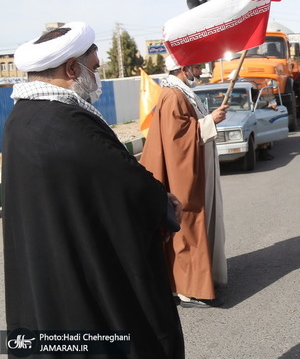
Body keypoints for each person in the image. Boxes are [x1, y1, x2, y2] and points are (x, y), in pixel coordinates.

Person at [2, 22, 184, 358]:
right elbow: (127, 184)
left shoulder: (19, 119)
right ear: (72, 68)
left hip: (48, 272)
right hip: (84, 279)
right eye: (95, 68)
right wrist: (163, 203)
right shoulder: (67, 124)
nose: (97, 78)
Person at [140, 55, 228, 308]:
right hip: (182, 174)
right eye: (198, 66)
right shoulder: (174, 95)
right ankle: (189, 289)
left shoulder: (180, 92)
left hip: (192, 167)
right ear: (185, 68)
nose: (200, 70)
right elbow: (178, 139)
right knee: (187, 221)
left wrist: (209, 120)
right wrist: (211, 120)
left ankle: (192, 282)